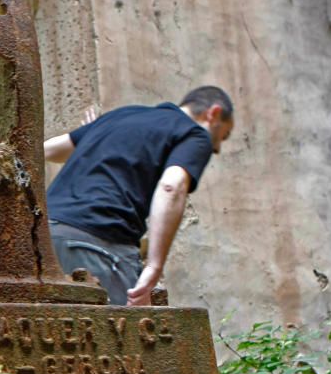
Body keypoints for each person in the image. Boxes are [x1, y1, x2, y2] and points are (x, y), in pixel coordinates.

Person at [43, 86, 234, 306]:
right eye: (223, 135)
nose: (217, 147)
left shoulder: (120, 115)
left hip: (45, 236)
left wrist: (92, 139)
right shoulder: (194, 132)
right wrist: (154, 267)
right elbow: (172, 186)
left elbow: (47, 150)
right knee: (120, 337)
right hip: (98, 243)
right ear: (214, 113)